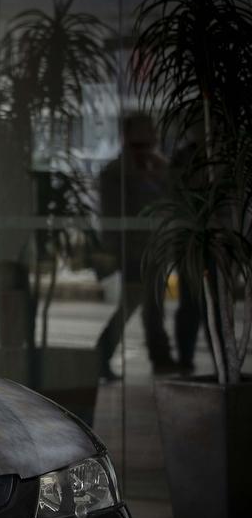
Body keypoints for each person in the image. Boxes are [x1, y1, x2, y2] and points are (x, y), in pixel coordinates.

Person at [94, 113, 176, 379]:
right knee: (131, 303)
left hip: (154, 247)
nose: (145, 148)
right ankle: (101, 355)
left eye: (149, 141)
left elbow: (169, 201)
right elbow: (112, 215)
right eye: (138, 143)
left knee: (154, 305)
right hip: (132, 250)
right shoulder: (116, 173)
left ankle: (160, 355)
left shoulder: (158, 167)